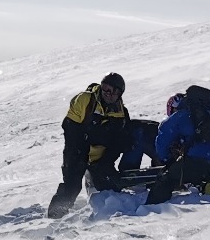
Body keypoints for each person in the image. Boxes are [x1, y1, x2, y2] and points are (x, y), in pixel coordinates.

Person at [46, 72, 150, 218]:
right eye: (105, 88)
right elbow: (69, 127)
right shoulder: (84, 100)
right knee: (72, 185)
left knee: (109, 186)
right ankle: (54, 216)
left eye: (113, 91)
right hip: (76, 150)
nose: (108, 94)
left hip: (99, 157)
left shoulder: (119, 111)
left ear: (120, 94)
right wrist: (80, 152)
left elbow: (118, 140)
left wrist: (105, 161)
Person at [145, 89, 210, 204]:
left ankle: (151, 209)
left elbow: (163, 140)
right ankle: (208, 185)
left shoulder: (181, 115)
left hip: (200, 161)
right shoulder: (209, 113)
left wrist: (166, 160)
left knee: (166, 179)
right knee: (199, 173)